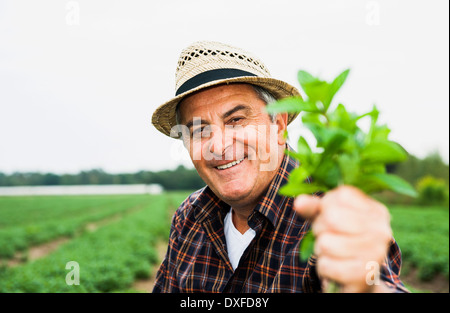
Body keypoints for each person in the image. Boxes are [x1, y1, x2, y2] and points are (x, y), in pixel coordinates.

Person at [151, 41, 407, 293]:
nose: (218, 146)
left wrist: (369, 288)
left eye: (236, 119)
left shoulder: (329, 214)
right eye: (199, 130)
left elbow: (374, 282)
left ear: (279, 126)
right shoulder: (189, 217)